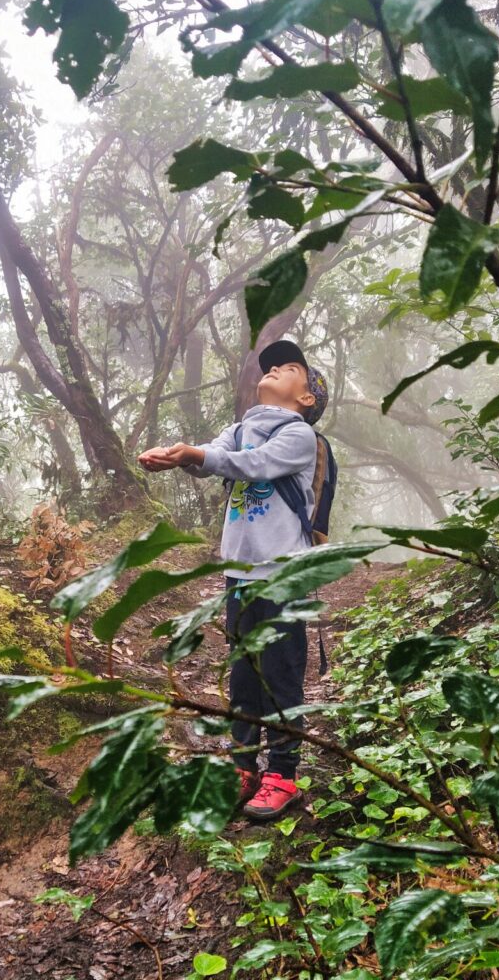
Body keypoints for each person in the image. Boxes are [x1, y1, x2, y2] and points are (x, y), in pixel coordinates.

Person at [138, 339, 329, 820]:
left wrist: (196, 455)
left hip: (283, 574)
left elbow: (251, 465)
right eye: (271, 366)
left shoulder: (299, 436)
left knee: (282, 674)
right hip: (239, 575)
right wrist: (178, 455)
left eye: (289, 368)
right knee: (244, 671)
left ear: (307, 398)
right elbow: (215, 457)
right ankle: (244, 766)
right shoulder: (240, 427)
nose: (274, 370)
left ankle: (282, 775)